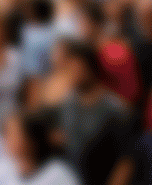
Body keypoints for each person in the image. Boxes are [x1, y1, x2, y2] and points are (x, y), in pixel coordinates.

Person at [57, 39, 134, 185]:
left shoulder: (115, 109)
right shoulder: (68, 102)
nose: (70, 73)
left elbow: (126, 161)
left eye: (75, 68)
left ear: (89, 67)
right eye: (67, 68)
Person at [0, 113, 80, 185]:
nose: (6, 138)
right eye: (5, 132)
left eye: (14, 134)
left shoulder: (58, 175)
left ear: (32, 139)